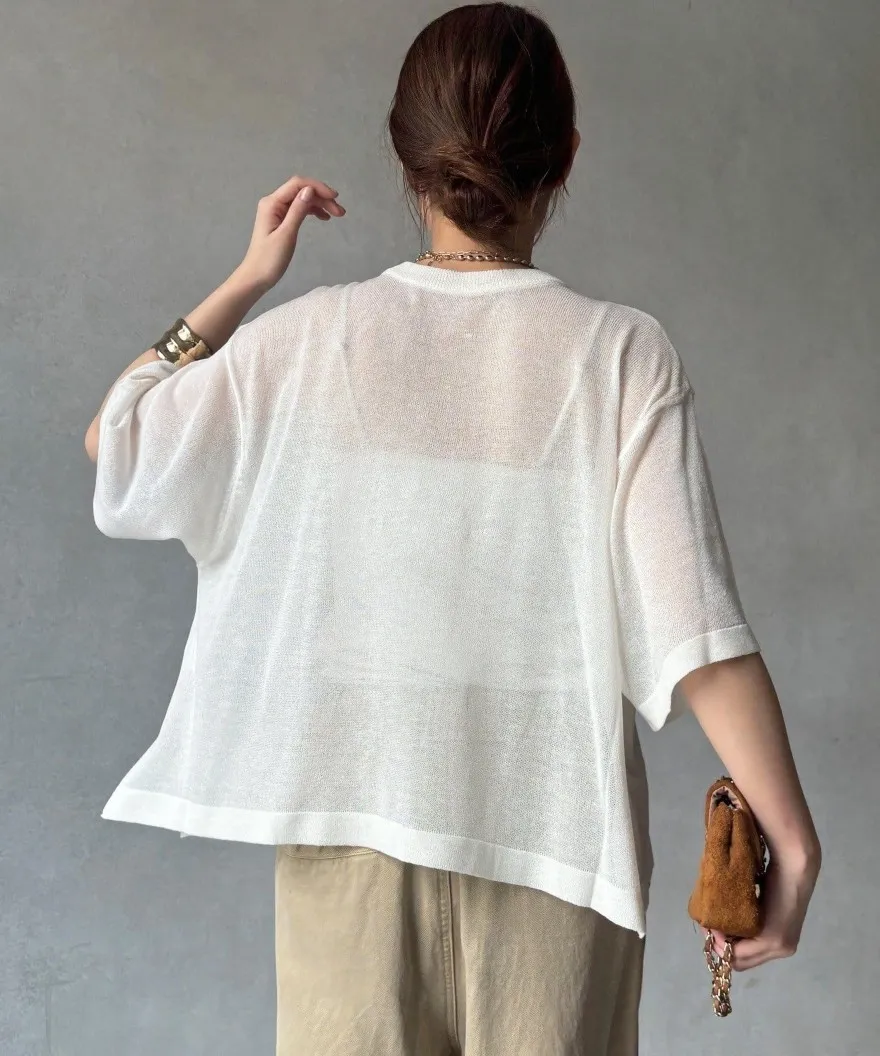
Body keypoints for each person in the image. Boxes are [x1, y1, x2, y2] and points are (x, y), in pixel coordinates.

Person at [84, 4, 820, 1054]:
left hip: (351, 836)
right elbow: (692, 627)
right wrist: (792, 837)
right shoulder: (618, 355)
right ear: (565, 155)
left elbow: (118, 436)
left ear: (407, 158)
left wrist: (247, 279)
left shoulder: (310, 340)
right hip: (555, 847)